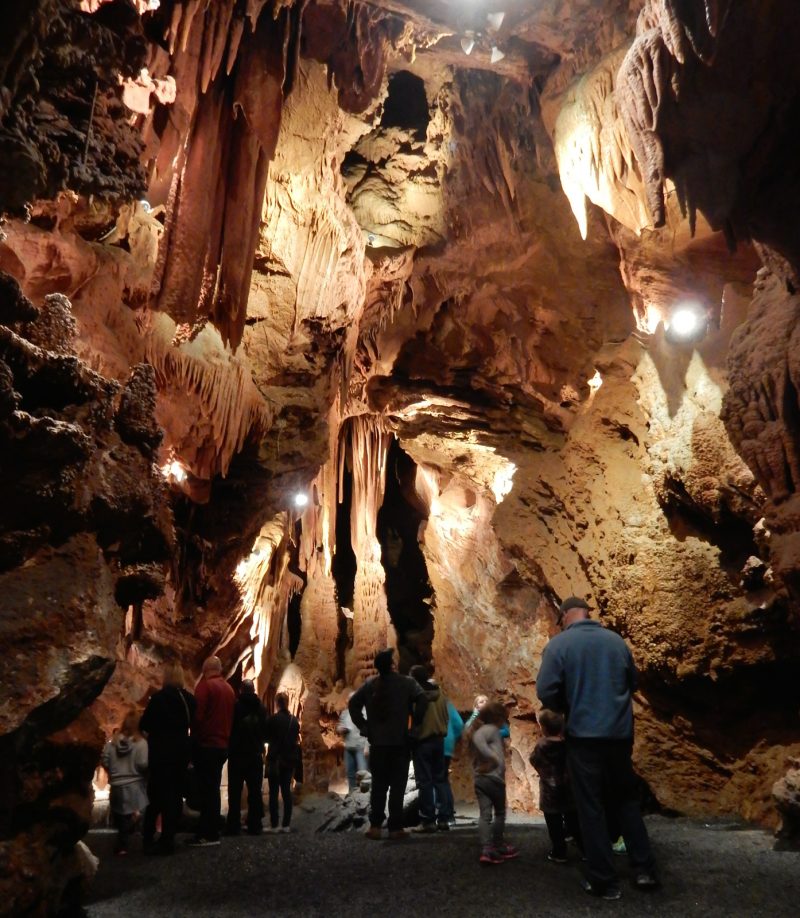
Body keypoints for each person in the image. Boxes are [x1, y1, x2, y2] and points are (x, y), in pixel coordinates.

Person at [537, 596, 659, 899]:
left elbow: (546, 691)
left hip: (584, 739)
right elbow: (633, 682)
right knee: (625, 801)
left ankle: (604, 881)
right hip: (619, 736)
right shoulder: (616, 642)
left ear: (565, 616)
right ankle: (643, 870)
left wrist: (568, 705)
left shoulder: (560, 645)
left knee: (590, 807)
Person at [349, 648, 428, 840]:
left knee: (379, 786)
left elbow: (353, 704)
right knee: (397, 786)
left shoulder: (370, 685)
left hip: (378, 743)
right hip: (400, 742)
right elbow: (423, 699)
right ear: (392, 664)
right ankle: (395, 827)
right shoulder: (406, 683)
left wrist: (364, 726)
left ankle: (376, 826)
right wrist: (415, 726)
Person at [140, 661, 195, 855]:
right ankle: (168, 838)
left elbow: (144, 725)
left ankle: (148, 837)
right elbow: (194, 726)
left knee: (156, 797)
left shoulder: (158, 699)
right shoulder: (188, 699)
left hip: (160, 755)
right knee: (174, 798)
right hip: (179, 755)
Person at [188, 655, 236, 847]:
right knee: (213, 789)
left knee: (205, 791)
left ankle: (208, 833)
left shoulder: (205, 687)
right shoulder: (229, 689)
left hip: (206, 745)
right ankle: (209, 830)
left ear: (205, 669)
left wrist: (193, 741)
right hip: (222, 745)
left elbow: (197, 718)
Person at [467, 701, 518, 865]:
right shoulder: (491, 730)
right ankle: (498, 844)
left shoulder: (479, 730)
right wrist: (493, 758)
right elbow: (480, 741)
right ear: (498, 718)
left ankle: (486, 848)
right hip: (494, 778)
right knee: (500, 813)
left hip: (480, 779)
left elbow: (476, 740)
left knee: (485, 815)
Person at [530, 708, 582, 863]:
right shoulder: (567, 744)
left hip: (549, 791)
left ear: (543, 727)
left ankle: (559, 852)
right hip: (568, 788)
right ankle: (585, 850)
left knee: (554, 823)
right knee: (574, 821)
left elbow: (534, 760)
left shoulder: (541, 745)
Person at [409, 664, 451, 832]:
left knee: (425, 781)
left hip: (423, 742)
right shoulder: (441, 695)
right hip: (439, 741)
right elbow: (446, 716)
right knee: (440, 780)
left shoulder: (416, 696)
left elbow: (414, 718)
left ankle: (428, 821)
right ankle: (444, 819)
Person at [101, 709, 149, 855]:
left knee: (120, 817)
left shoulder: (112, 743)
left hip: (116, 786)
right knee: (133, 814)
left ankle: (122, 846)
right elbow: (143, 764)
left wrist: (113, 772)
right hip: (134, 786)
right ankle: (136, 829)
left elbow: (105, 760)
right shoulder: (141, 743)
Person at [226, 680, 269, 836]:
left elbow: (229, 728)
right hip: (255, 755)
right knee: (255, 792)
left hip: (237, 755)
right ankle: (255, 825)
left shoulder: (235, 708)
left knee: (235, 792)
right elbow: (266, 732)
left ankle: (233, 825)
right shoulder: (262, 709)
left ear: (240, 690)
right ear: (254, 690)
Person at [265, 692, 300, 833]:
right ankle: (286, 824)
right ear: (287, 702)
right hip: (288, 760)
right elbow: (295, 741)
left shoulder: (272, 720)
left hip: (275, 759)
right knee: (286, 792)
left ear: (277, 703)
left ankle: (274, 824)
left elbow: (266, 737)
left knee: (273, 793)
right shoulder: (294, 721)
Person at [337, 692, 369, 793]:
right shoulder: (345, 713)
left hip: (361, 746)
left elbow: (369, 730)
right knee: (350, 773)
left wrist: (367, 746)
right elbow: (340, 725)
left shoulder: (364, 712)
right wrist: (340, 729)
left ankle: (365, 796)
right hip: (348, 747)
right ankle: (352, 795)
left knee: (363, 773)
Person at [442, 700, 464, 826]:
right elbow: (459, 724)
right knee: (443, 780)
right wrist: (452, 737)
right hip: (448, 744)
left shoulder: (423, 699)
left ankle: (437, 815)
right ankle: (449, 815)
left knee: (431, 780)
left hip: (433, 741)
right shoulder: (447, 703)